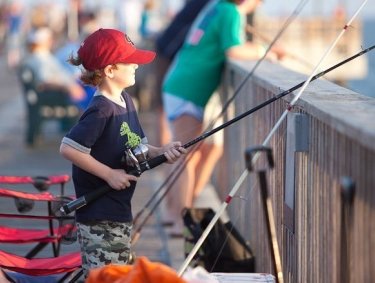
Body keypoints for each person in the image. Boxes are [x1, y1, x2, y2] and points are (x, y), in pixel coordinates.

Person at [59, 28, 186, 278]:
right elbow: (69, 148)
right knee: (106, 276)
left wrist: (161, 151)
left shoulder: (126, 100)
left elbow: (136, 145)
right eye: (131, 62)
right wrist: (108, 174)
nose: (137, 66)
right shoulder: (101, 110)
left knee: (120, 273)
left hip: (119, 211)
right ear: (109, 70)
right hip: (98, 216)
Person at [162, 0, 284, 236]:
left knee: (200, 151)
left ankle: (175, 212)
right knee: (184, 157)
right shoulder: (230, 11)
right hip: (188, 90)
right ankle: (180, 220)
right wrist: (265, 52)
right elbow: (233, 49)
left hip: (182, 85)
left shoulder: (217, 6)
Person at [22, 26, 86, 110]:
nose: (52, 41)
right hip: (61, 93)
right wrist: (69, 87)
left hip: (67, 88)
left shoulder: (42, 56)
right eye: (50, 39)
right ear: (42, 42)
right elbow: (45, 81)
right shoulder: (40, 59)